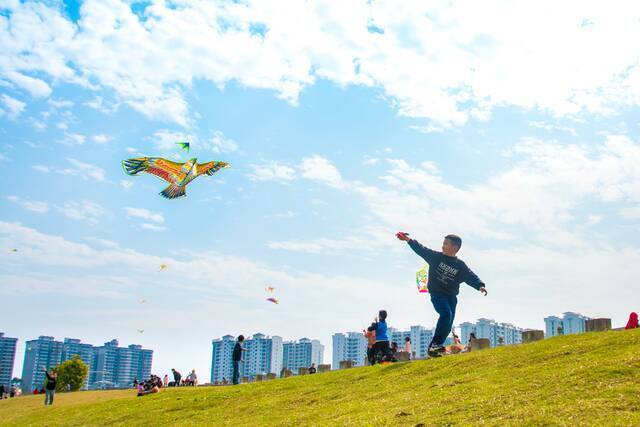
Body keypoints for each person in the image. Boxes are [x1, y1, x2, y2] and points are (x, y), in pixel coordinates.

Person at [396, 232, 487, 357]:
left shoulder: (460, 265)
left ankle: (436, 347)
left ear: (455, 248)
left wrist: (480, 285)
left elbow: (470, 276)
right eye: (443, 243)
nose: (442, 246)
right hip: (437, 294)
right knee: (445, 314)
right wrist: (408, 240)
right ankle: (434, 345)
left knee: (448, 323)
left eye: (445, 244)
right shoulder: (436, 257)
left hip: (451, 297)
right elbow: (422, 250)